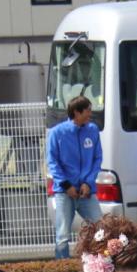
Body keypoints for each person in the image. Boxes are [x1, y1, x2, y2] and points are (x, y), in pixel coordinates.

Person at [47, 95, 103, 259]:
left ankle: (100, 263)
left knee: (101, 229)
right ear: (77, 112)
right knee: (62, 236)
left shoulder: (92, 130)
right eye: (88, 110)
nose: (90, 114)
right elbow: (52, 162)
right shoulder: (57, 133)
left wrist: (88, 182)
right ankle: (61, 268)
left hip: (87, 192)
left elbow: (97, 159)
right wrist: (66, 185)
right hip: (64, 193)